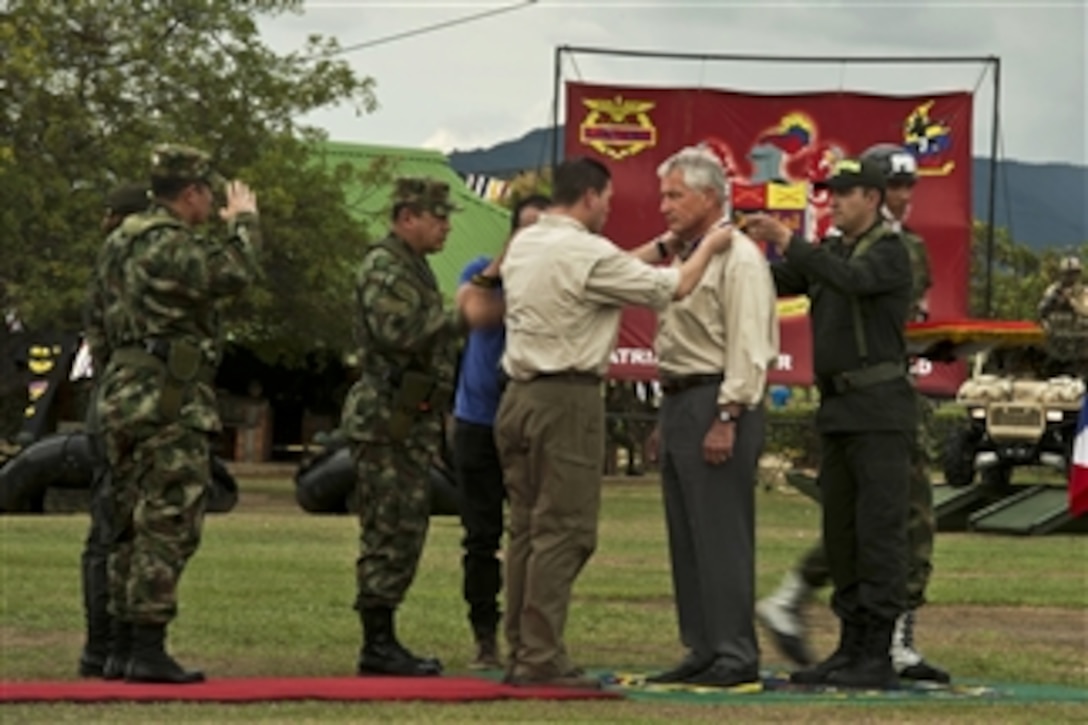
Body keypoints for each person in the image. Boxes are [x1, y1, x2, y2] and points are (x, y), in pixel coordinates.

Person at [495, 156, 733, 689]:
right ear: (591, 196)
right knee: (566, 531)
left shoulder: (528, 242)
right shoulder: (586, 251)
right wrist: (711, 246)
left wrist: (665, 245)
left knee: (527, 530)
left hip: (517, 398)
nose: (608, 210)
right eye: (607, 201)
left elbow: (609, 269)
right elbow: (672, 288)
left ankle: (520, 648)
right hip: (565, 400)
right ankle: (540, 657)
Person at [756, 144, 951, 683]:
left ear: (871, 197)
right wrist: (731, 256)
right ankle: (849, 646)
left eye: (843, 194)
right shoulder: (834, 253)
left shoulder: (888, 251)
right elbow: (780, 282)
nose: (833, 203)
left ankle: (877, 651)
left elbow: (855, 281)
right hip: (840, 408)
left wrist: (788, 241)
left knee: (880, 532)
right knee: (841, 532)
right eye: (829, 195)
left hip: (881, 409)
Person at [93, 144, 261, 683]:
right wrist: (245, 223)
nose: (212, 206)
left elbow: (98, 320)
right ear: (190, 193)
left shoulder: (119, 241)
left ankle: (119, 645)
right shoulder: (166, 243)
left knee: (125, 523)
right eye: (208, 196)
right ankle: (146, 645)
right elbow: (234, 272)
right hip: (165, 399)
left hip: (122, 394)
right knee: (168, 521)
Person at [341, 177, 498, 677]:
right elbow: (399, 333)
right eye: (438, 217)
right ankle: (377, 642)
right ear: (407, 217)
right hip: (388, 419)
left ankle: (383, 637)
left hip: (409, 419)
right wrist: (464, 317)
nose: (447, 226)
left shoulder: (413, 268)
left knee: (405, 527)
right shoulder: (385, 268)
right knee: (389, 528)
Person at [646, 146, 779, 689]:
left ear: (709, 196)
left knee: (721, 532)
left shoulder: (739, 257)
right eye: (664, 194)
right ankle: (700, 645)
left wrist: (728, 413)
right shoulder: (689, 254)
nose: (665, 206)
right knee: (687, 534)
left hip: (717, 398)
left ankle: (734, 652)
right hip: (680, 396)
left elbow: (750, 343)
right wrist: (664, 415)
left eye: (675, 195)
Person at [453, 193, 549, 670]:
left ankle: (529, 635)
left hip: (532, 420)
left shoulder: (555, 280)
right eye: (525, 229)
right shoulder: (481, 270)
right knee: (480, 536)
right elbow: (474, 312)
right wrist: (507, 262)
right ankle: (484, 635)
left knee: (535, 532)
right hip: (478, 419)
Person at [78, 181, 151, 678]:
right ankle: (114, 642)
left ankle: (100, 645)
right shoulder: (135, 259)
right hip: (130, 401)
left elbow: (97, 337)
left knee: (107, 530)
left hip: (107, 399)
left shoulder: (107, 261)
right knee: (121, 531)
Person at [1039, 256, 1088, 321]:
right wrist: (1057, 300)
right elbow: (1042, 310)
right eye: (1068, 273)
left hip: (1079, 328)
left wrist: (1071, 301)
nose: (1071, 277)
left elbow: (1086, 311)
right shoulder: (1053, 289)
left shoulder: (1083, 291)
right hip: (1057, 328)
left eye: (1074, 273)